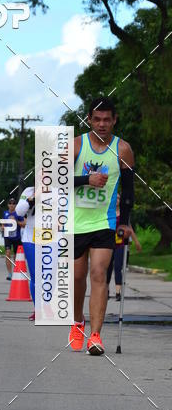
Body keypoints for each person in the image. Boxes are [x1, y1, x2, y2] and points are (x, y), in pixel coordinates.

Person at [70, 97, 135, 355]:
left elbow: (129, 191)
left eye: (107, 119)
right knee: (76, 278)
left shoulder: (123, 150)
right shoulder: (76, 146)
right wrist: (88, 178)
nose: (102, 124)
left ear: (114, 120)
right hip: (75, 221)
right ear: (89, 119)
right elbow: (52, 179)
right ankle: (77, 321)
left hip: (104, 221)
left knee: (98, 273)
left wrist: (126, 222)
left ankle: (95, 336)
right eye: (97, 119)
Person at [107, 194, 141, 301]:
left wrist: (136, 242)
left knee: (118, 267)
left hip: (120, 244)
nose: (117, 200)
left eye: (118, 198)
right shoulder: (108, 212)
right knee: (107, 268)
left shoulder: (124, 215)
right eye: (115, 198)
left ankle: (118, 292)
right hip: (108, 244)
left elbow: (129, 228)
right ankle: (105, 290)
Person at [15, 186, 36, 319]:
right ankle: (38, 309)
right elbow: (19, 212)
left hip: (53, 237)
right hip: (31, 237)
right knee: (35, 275)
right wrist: (31, 199)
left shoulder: (59, 189)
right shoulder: (29, 190)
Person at [2, 197, 20, 279]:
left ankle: (16, 272)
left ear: (16, 205)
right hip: (8, 237)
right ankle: (9, 274)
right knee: (8, 254)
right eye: (10, 203)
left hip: (17, 237)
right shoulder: (5, 213)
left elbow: (24, 224)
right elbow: (3, 224)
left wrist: (15, 221)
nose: (12, 205)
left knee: (16, 257)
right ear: (8, 205)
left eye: (13, 203)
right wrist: (2, 227)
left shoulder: (18, 213)